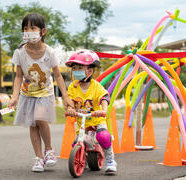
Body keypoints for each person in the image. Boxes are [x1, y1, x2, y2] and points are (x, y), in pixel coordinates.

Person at [8, 13, 73, 172]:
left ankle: (49, 150)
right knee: (32, 124)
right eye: (25, 28)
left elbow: (57, 75)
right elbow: (18, 76)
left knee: (40, 118)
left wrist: (65, 97)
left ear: (43, 31)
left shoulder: (49, 52)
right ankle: (38, 158)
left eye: (33, 28)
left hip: (45, 92)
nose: (29, 31)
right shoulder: (20, 52)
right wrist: (14, 96)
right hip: (27, 93)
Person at [65, 49, 117, 173]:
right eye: (74, 68)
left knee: (103, 136)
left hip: (96, 119)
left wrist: (103, 110)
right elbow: (69, 101)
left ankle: (110, 160)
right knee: (76, 143)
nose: (76, 71)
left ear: (90, 70)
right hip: (82, 121)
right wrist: (70, 109)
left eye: (79, 68)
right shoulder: (73, 86)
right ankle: (84, 158)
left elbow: (104, 98)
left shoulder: (96, 86)